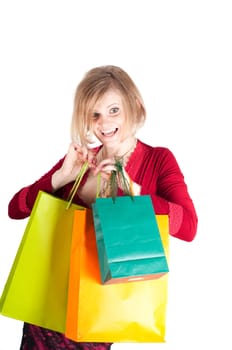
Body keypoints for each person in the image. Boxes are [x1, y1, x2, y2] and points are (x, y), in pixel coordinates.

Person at [8, 65, 198, 350]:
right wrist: (60, 177)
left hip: (99, 312)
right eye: (94, 114)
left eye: (113, 110)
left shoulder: (158, 160)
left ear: (134, 106)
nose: (103, 122)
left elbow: (189, 228)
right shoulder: (82, 160)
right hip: (47, 308)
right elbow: (16, 208)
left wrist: (132, 191)